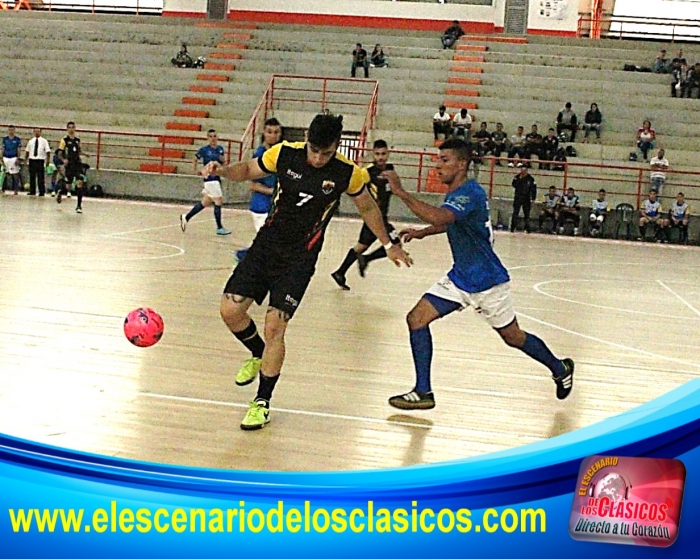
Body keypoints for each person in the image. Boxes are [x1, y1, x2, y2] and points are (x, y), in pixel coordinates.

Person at [201, 114, 412, 430]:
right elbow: (246, 170)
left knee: (275, 326)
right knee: (230, 310)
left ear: (336, 147)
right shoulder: (283, 153)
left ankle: (262, 402)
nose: (317, 158)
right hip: (265, 248)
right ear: (306, 141)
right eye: (314, 150)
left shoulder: (347, 173)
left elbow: (369, 208)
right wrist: (222, 170)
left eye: (325, 153)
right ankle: (257, 353)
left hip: (300, 259)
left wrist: (389, 242)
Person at [382, 138, 573, 410]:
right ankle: (423, 390)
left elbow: (443, 218)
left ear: (462, 164)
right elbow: (451, 222)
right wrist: (422, 232)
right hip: (461, 277)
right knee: (416, 319)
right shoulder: (458, 193)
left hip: (487, 282)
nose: (438, 166)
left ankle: (560, 368)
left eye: (444, 160)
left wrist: (400, 192)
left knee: (513, 337)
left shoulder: (469, 193)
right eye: (438, 160)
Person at [331, 139, 400, 290]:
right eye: (377, 154)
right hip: (375, 219)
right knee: (396, 243)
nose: (380, 157)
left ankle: (340, 272)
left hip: (381, 217)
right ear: (372, 154)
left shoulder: (390, 169)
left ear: (388, 154)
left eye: (383, 154)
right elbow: (353, 185)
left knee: (361, 246)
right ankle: (366, 259)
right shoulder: (368, 172)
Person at [236, 118, 283, 262]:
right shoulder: (260, 154)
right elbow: (253, 185)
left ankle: (245, 257)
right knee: (269, 243)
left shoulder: (280, 153)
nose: (273, 135)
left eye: (276, 132)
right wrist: (272, 191)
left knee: (270, 242)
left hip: (274, 206)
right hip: (261, 206)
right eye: (269, 132)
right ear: (264, 132)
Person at [180, 129, 230, 236]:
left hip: (217, 178)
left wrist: (223, 163)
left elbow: (223, 162)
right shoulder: (204, 150)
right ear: (208, 138)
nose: (213, 138)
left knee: (205, 202)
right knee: (218, 201)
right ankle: (219, 227)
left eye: (214, 136)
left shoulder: (220, 149)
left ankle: (186, 217)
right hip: (210, 179)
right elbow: (195, 158)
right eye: (210, 136)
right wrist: (196, 170)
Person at [57, 121, 85, 212]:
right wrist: (63, 160)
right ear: (67, 129)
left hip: (77, 164)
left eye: (73, 127)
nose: (71, 129)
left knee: (79, 183)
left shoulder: (78, 140)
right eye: (70, 127)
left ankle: (79, 206)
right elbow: (59, 153)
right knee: (68, 186)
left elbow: (79, 151)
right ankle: (61, 192)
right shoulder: (64, 140)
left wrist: (83, 155)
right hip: (70, 165)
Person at [23, 128, 51, 197]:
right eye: (35, 131)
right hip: (32, 160)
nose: (37, 133)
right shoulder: (31, 141)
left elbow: (48, 151)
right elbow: (27, 151)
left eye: (38, 131)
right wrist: (25, 160)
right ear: (33, 132)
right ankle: (32, 191)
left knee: (40, 177)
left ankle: (41, 192)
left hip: (40, 160)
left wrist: (47, 160)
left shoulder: (44, 141)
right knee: (32, 176)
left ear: (41, 132)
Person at [510, 163, 537, 233]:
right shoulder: (517, 177)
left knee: (527, 214)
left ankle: (527, 228)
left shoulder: (530, 179)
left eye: (524, 170)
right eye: (522, 170)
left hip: (526, 198)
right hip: (518, 197)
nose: (523, 172)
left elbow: (533, 189)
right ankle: (513, 227)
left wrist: (533, 198)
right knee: (515, 212)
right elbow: (514, 184)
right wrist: (520, 179)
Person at [2, 125, 22, 194]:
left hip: (13, 158)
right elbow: (3, 149)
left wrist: (18, 158)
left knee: (15, 174)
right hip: (5, 157)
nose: (11, 131)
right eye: (10, 130)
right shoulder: (5, 139)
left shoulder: (17, 139)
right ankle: (2, 188)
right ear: (8, 130)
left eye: (12, 130)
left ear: (14, 130)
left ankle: (16, 189)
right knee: (3, 173)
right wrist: (1, 157)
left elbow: (18, 149)